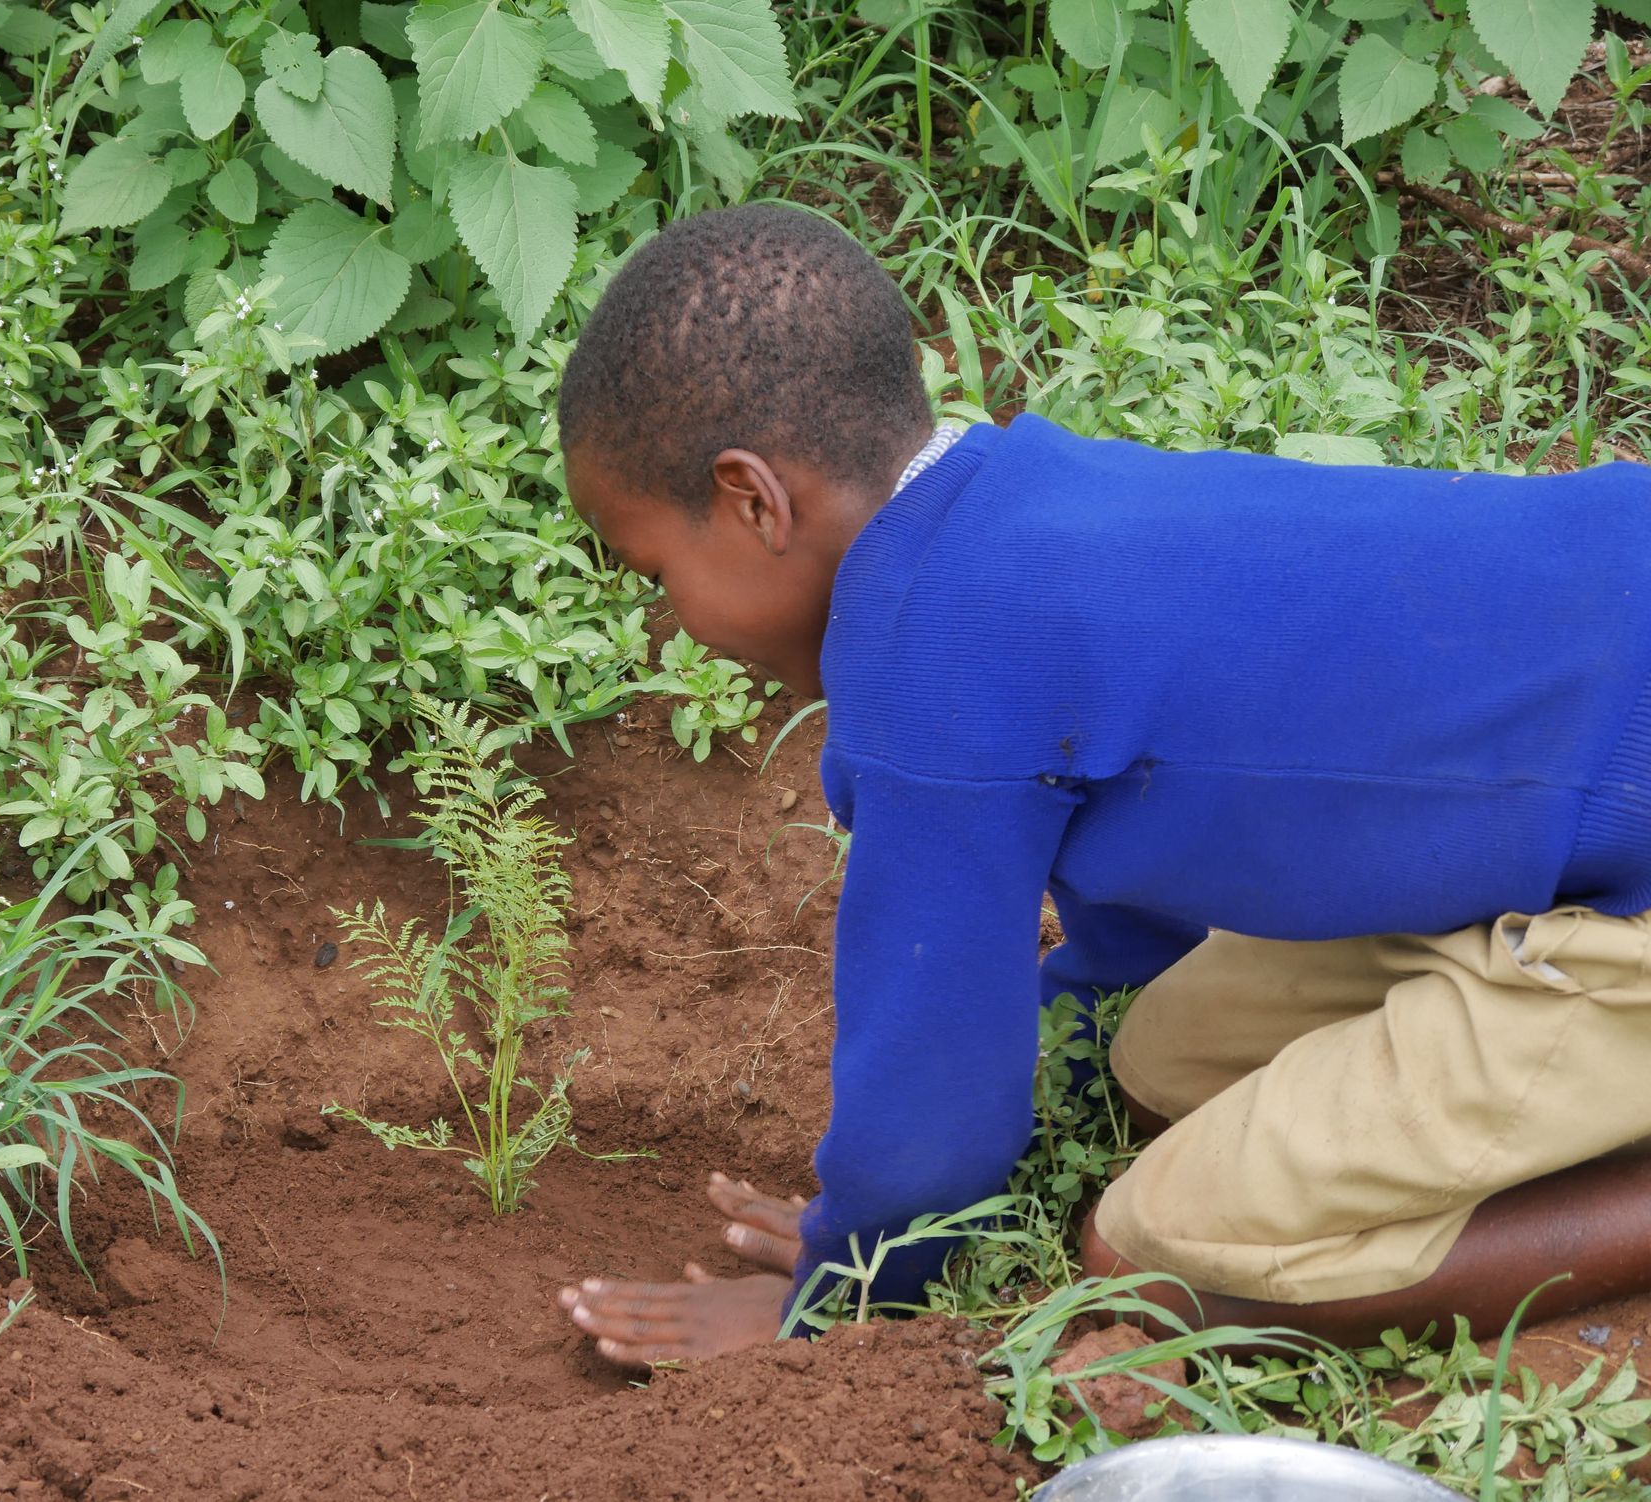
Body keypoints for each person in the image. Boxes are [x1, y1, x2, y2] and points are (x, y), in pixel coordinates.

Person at [550, 202, 1651, 1368]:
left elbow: (930, 1107)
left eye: (652, 572)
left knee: (1147, 1251)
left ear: (751, 502)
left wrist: (840, 1285)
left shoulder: (927, 671)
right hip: (1587, 740)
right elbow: (1160, 831)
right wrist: (1060, 1050)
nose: (670, 623)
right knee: (1154, 1056)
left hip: (1624, 891)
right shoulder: (1022, 502)